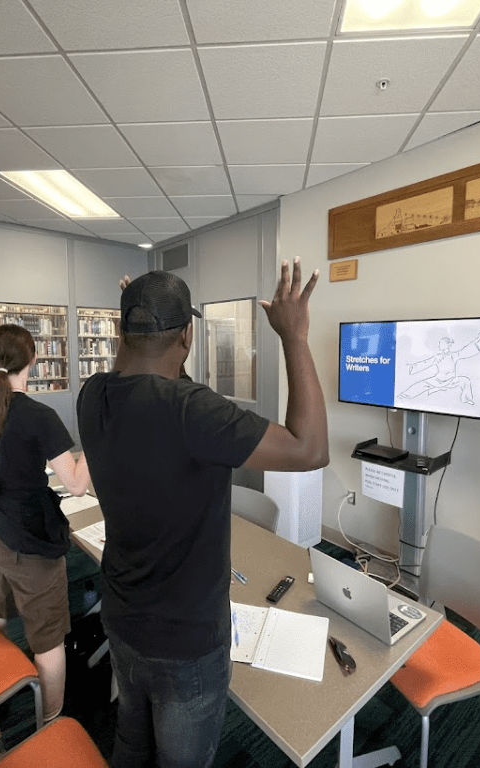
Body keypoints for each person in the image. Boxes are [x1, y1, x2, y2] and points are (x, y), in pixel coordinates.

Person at [77, 260, 329, 768]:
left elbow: (145, 376)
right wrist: (294, 338)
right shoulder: (194, 411)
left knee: (132, 740)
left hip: (121, 618)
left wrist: (137, 314)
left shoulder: (92, 396)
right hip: (185, 642)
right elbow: (310, 449)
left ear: (121, 332)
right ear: (187, 337)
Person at [0, 324, 90, 723]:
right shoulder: (40, 415)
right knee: (48, 637)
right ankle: (50, 721)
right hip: (21, 540)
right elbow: (77, 485)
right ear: (34, 358)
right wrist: (97, 438)